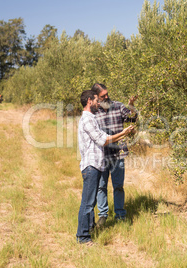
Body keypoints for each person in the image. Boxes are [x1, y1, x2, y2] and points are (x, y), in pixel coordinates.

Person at [76, 89, 134, 245]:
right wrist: (123, 133)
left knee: (90, 202)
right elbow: (102, 140)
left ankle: (89, 228)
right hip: (91, 165)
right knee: (88, 203)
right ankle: (83, 237)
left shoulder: (91, 118)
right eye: (96, 100)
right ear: (89, 101)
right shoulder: (88, 120)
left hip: (95, 165)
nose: (98, 103)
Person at [91, 83, 138, 226]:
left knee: (118, 186)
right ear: (96, 98)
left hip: (118, 154)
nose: (106, 97)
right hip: (101, 155)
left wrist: (131, 105)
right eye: (102, 96)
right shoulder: (93, 112)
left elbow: (132, 118)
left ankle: (120, 216)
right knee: (101, 187)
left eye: (107, 94)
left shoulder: (118, 106)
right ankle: (103, 216)